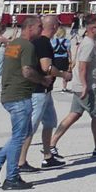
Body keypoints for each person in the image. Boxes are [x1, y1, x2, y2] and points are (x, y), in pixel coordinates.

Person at [0, 16, 51, 190]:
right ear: (30, 27)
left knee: (20, 134)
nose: (42, 30)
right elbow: (27, 71)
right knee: (19, 137)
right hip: (19, 96)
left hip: (9, 94)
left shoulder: (13, 43)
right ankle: (11, 178)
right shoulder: (27, 46)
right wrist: (43, 80)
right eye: (39, 27)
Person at [51, 15, 96, 158]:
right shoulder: (89, 44)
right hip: (87, 87)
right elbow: (82, 67)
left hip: (80, 85)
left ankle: (51, 144)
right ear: (92, 29)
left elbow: (88, 64)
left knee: (74, 114)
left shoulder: (89, 42)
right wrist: (85, 85)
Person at [18, 14, 62, 170]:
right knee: (31, 126)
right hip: (39, 91)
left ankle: (48, 156)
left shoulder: (38, 41)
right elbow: (46, 67)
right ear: (55, 27)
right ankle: (21, 161)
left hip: (45, 91)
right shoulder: (43, 43)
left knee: (50, 121)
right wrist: (64, 74)